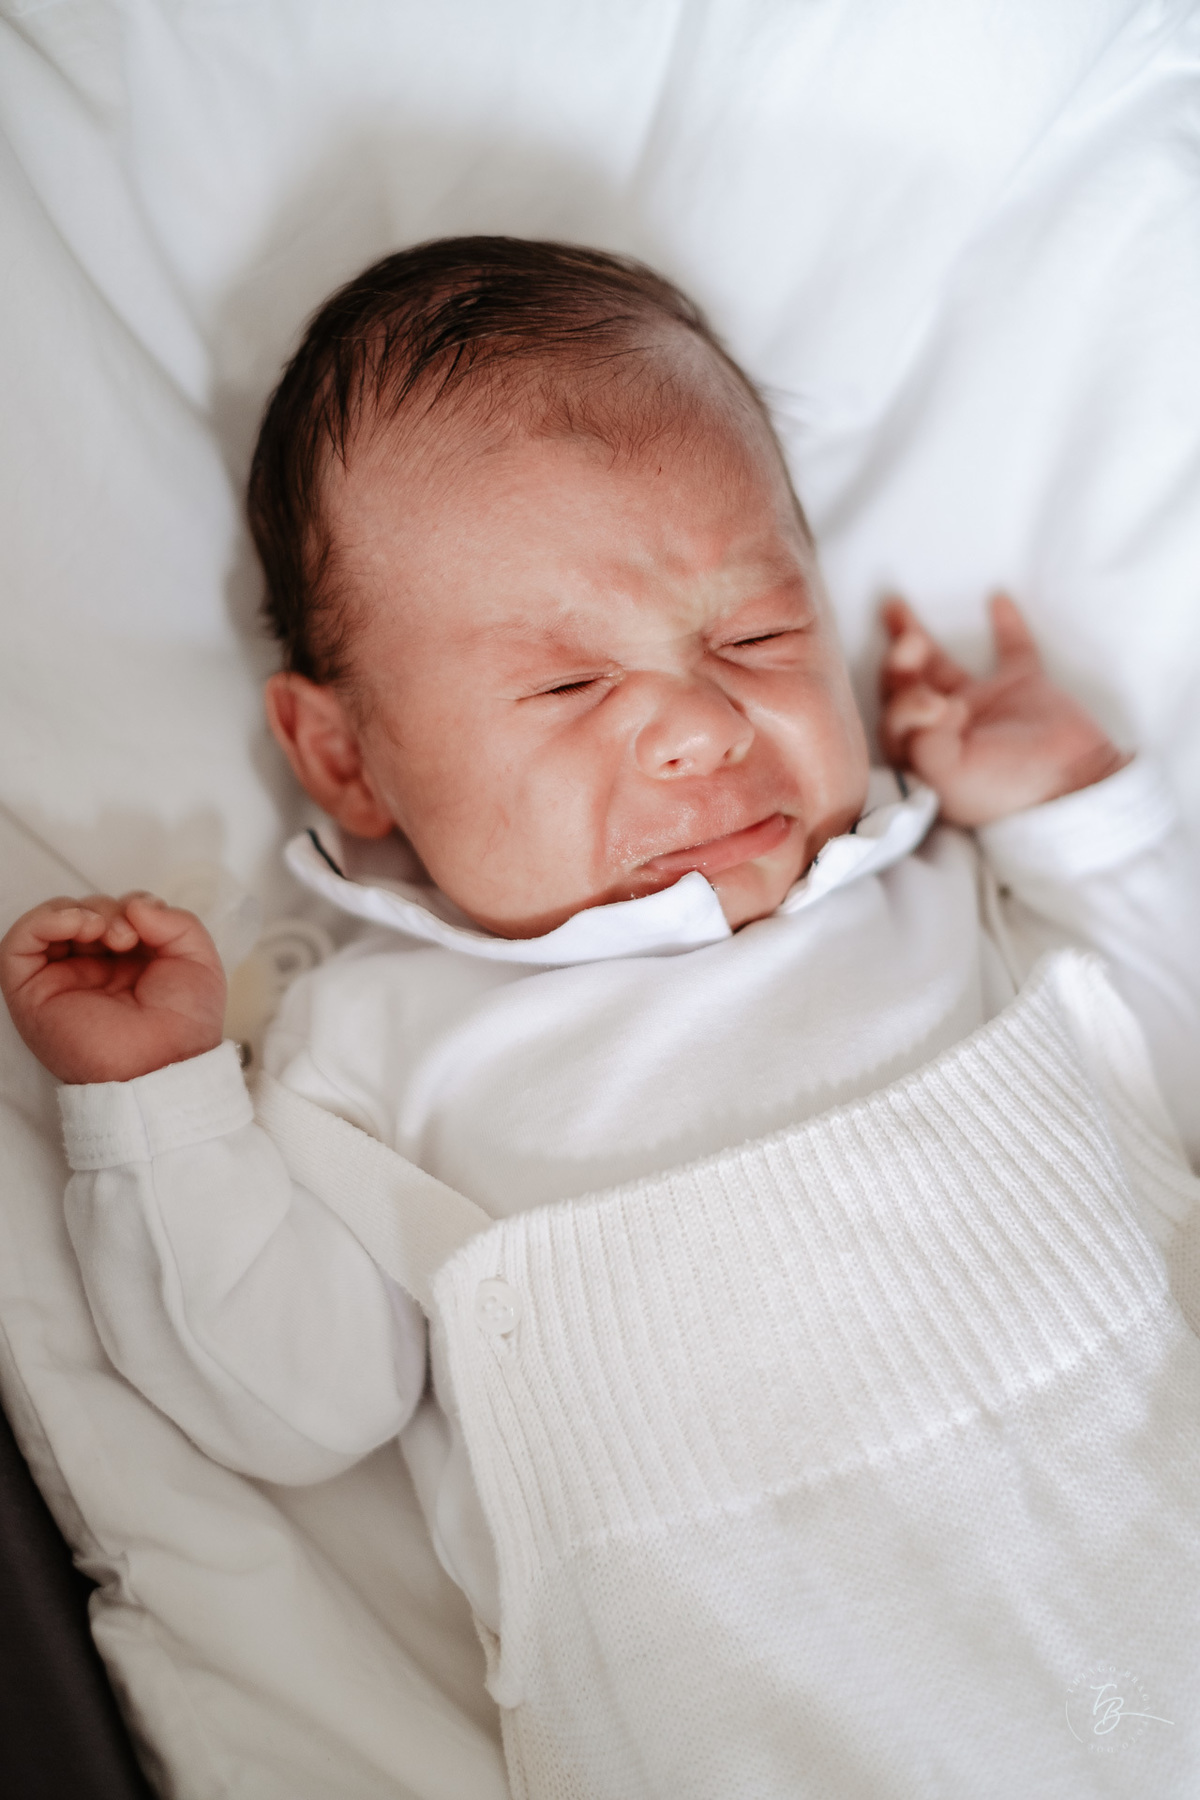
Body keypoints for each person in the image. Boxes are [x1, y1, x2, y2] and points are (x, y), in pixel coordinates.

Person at [3, 238, 1199, 1645]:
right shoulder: (382, 1046)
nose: (703, 724)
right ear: (347, 759)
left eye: (755, 636)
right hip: (764, 1680)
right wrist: (156, 1112)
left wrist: (1065, 812)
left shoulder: (923, 880)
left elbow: (1156, 1081)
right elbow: (294, 1408)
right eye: (570, 681)